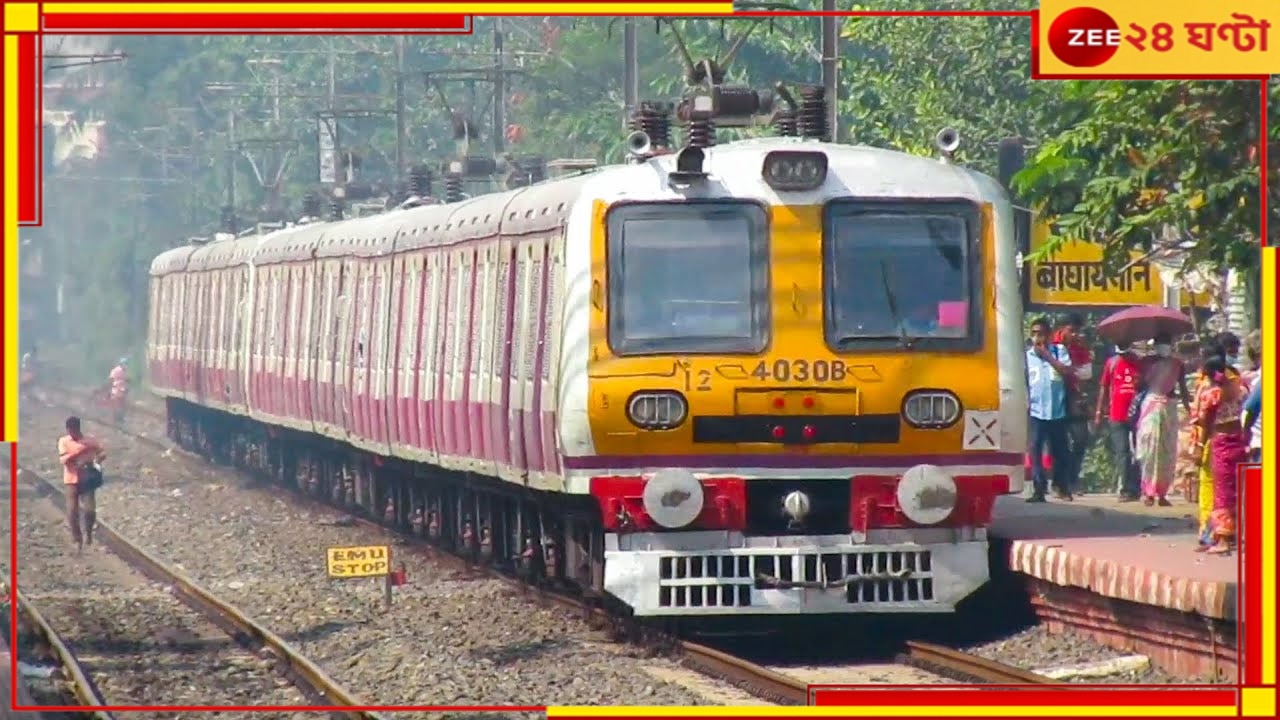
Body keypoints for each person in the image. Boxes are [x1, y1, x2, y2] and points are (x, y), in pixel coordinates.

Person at [1192, 358, 1247, 555]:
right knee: (1239, 490)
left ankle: (1222, 540)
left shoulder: (1212, 395)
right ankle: (1236, 537)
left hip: (1222, 443)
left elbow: (1205, 424)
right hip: (1241, 441)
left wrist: (1199, 446)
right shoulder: (1241, 389)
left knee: (1222, 492)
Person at [1134, 333, 1189, 506]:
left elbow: (1182, 388)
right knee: (1149, 448)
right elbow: (1139, 385)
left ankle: (1162, 493)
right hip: (1151, 406)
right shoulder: (1146, 362)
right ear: (1155, 345)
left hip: (1168, 407)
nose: (1164, 346)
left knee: (1167, 450)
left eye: (1166, 343)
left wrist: (1189, 409)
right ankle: (1148, 492)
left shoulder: (1177, 364)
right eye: (1161, 343)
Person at [1025, 317, 1075, 503]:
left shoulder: (1059, 351)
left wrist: (1047, 355)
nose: (1038, 337)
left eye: (1041, 333)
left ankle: (1062, 486)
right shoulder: (1026, 356)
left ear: (1049, 335)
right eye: (1034, 333)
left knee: (1060, 451)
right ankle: (1039, 489)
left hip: (1057, 410)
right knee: (1036, 450)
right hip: (1036, 411)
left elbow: (1066, 370)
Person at [1095, 343, 1143, 501]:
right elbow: (1104, 387)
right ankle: (1125, 489)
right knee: (1122, 452)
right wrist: (1099, 411)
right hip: (1116, 414)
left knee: (1139, 452)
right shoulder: (1112, 363)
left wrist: (1139, 382)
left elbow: (1146, 384)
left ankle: (1136, 487)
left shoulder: (1139, 362)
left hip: (1137, 414)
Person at [1054, 314, 1093, 494]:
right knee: (1057, 440)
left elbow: (1086, 374)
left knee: (1080, 439)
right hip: (1054, 398)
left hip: (1075, 397)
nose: (1075, 334)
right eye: (1071, 330)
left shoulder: (1080, 348)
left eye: (1077, 331)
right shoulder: (1050, 347)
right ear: (1061, 329)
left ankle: (1072, 477)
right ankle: (1058, 481)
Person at [58, 416, 106, 552]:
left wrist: (97, 459)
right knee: (72, 510)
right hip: (71, 479)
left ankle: (88, 533)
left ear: (78, 428)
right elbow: (63, 460)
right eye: (70, 430)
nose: (72, 432)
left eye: (74, 429)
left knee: (90, 510)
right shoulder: (64, 441)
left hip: (87, 479)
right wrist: (78, 451)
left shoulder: (89, 441)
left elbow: (102, 452)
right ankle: (76, 537)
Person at [107, 357, 130, 424]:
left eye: (126, 364)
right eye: (124, 364)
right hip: (117, 390)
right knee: (118, 405)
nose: (125, 365)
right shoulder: (116, 370)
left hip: (121, 391)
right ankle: (117, 419)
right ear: (121, 364)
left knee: (121, 405)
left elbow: (127, 380)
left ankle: (120, 418)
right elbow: (111, 380)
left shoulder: (125, 371)